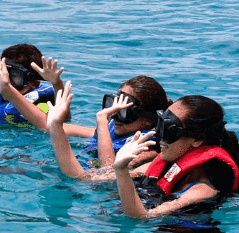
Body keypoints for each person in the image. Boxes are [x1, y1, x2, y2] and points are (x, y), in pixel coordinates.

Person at [113, 94, 239, 219]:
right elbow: (104, 177)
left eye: (169, 130)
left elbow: (142, 217)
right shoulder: (166, 164)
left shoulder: (202, 190)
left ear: (197, 140)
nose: (160, 136)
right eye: (160, 124)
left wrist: (121, 169)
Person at [39, 75, 169, 180]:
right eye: (114, 106)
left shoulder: (146, 150)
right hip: (75, 172)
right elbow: (50, 126)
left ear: (148, 121)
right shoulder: (115, 130)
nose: (115, 116)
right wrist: (55, 121)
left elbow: (107, 172)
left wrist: (102, 120)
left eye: (124, 111)